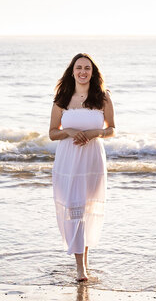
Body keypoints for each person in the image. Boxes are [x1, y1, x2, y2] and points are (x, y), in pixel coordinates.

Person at [49, 53, 115, 282]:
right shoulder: (62, 98)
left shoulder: (102, 97)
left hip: (93, 161)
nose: (83, 72)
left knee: (86, 211)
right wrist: (68, 132)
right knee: (75, 208)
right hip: (68, 162)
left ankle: (84, 265)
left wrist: (93, 133)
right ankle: (81, 268)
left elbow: (112, 129)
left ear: (93, 72)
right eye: (79, 67)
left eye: (87, 68)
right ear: (72, 71)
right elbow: (52, 133)